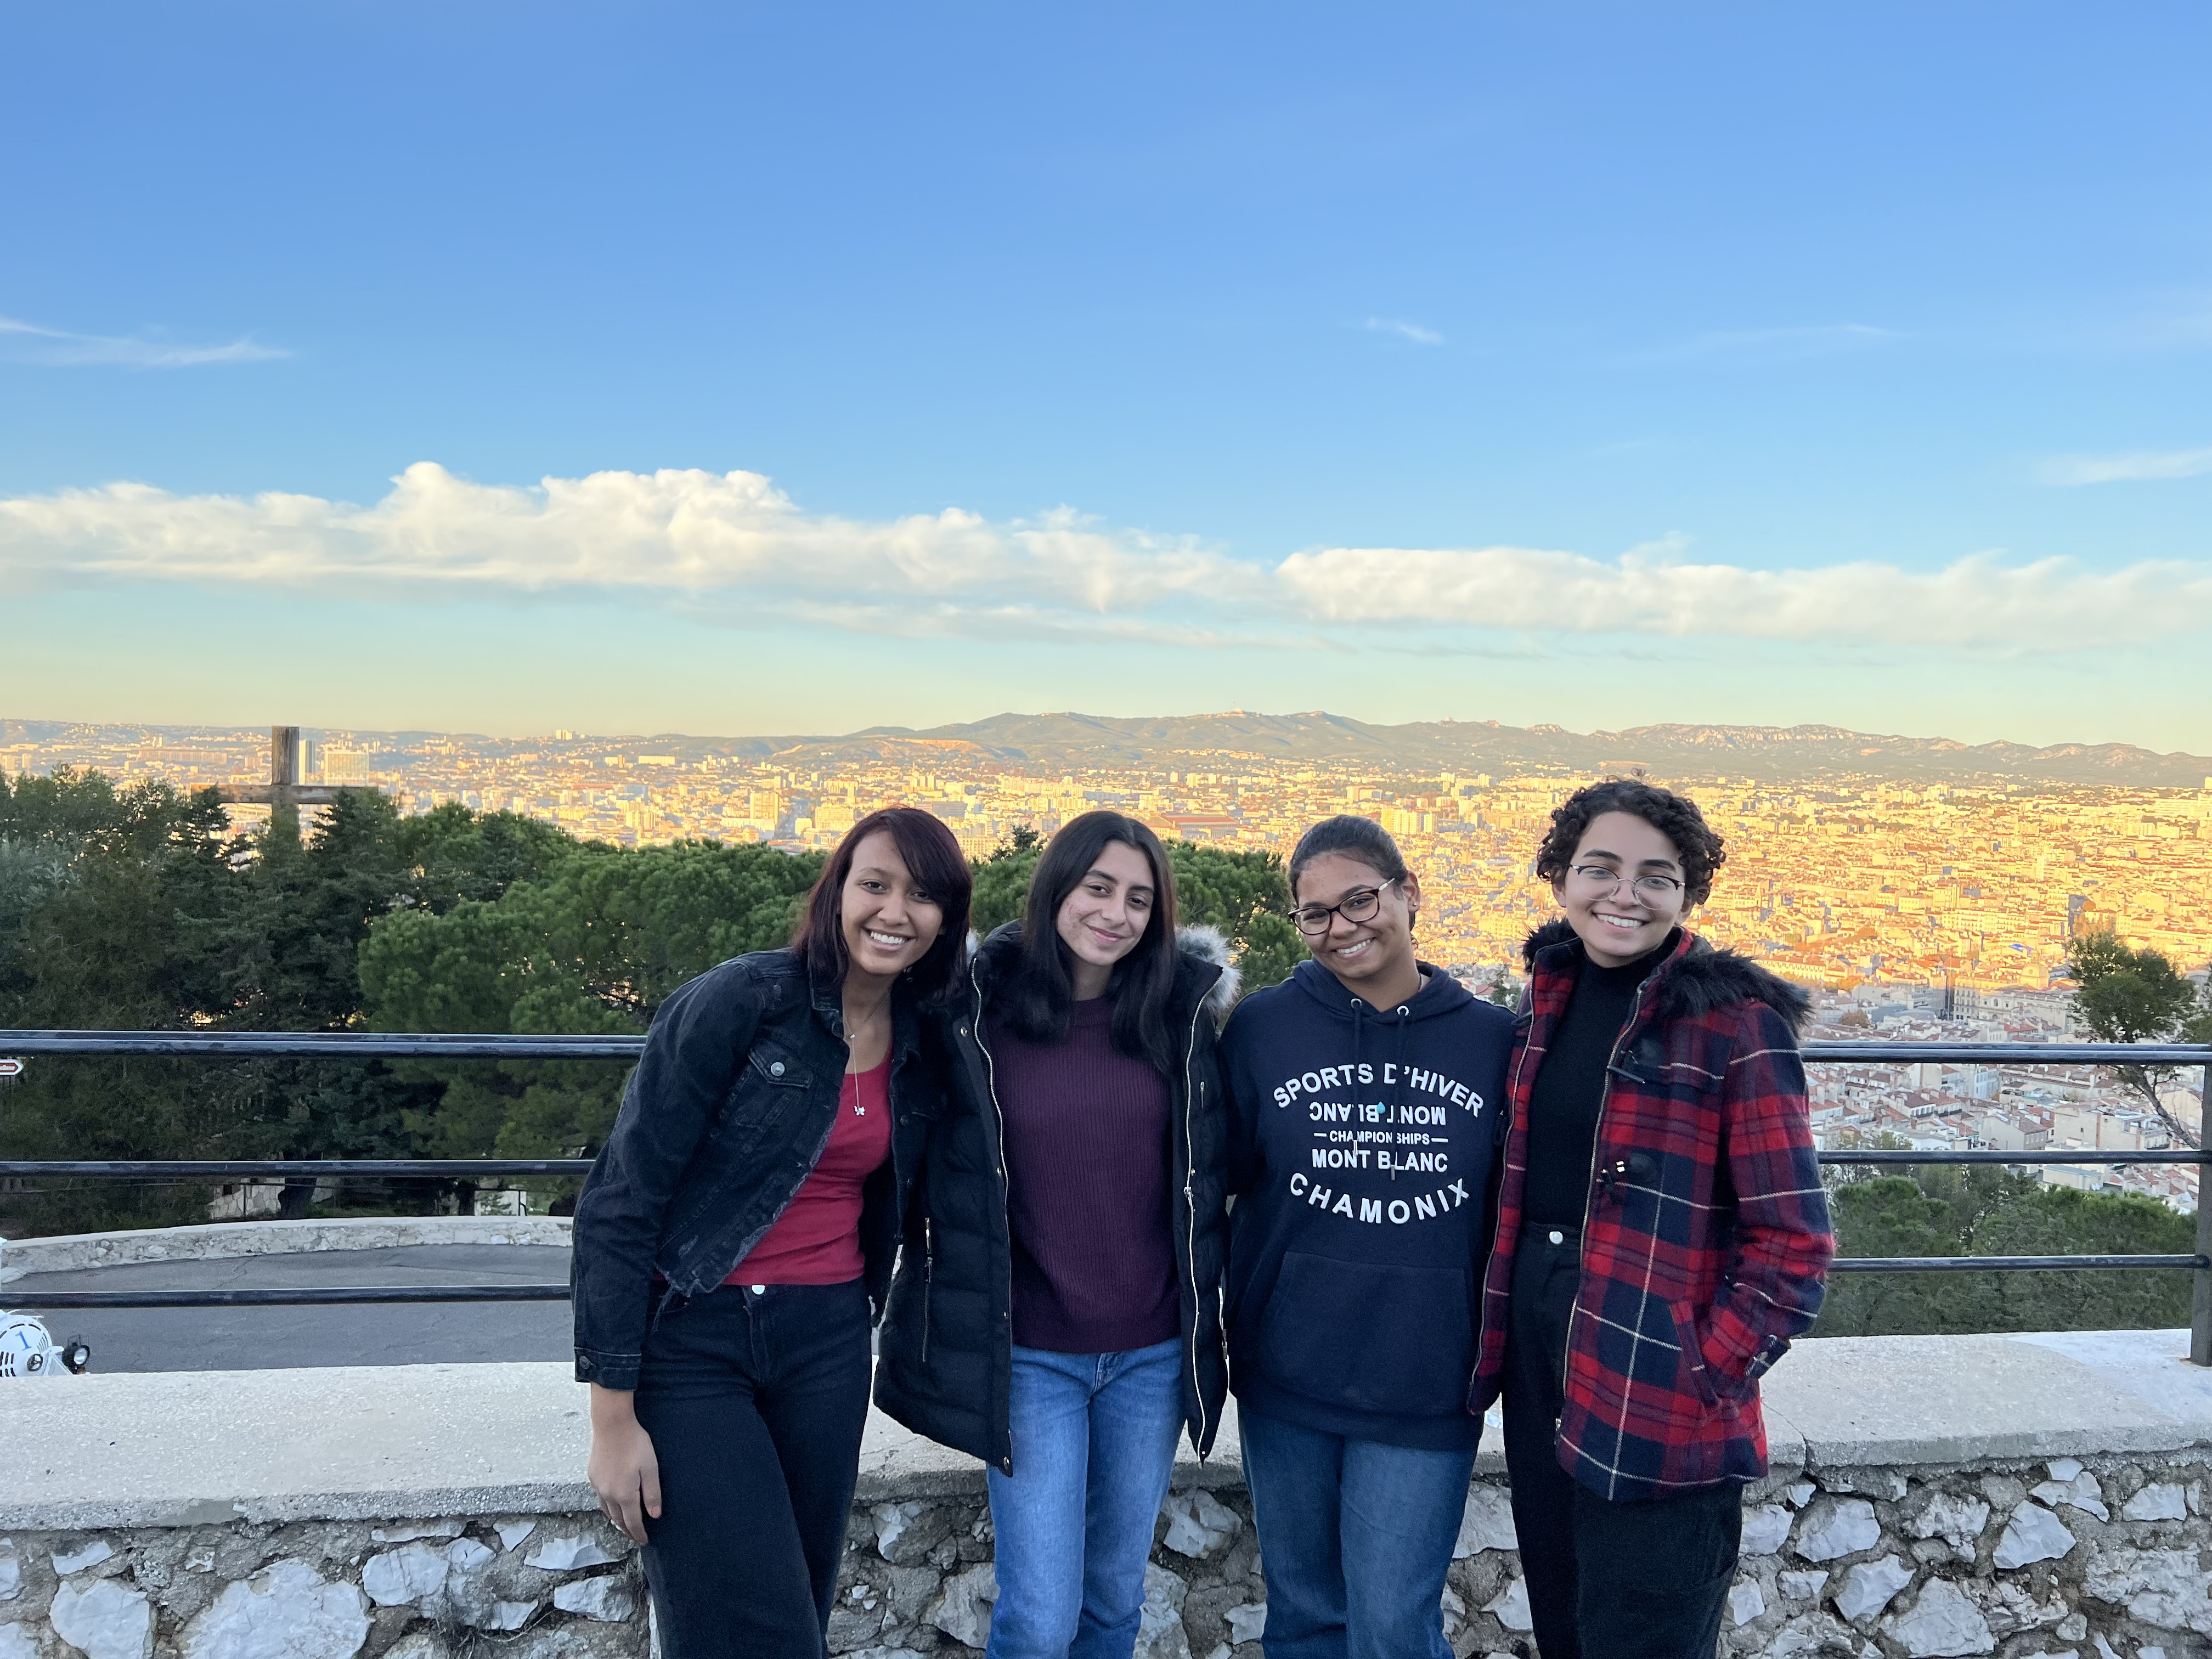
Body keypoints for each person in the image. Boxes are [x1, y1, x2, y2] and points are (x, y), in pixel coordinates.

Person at [572, 808, 972, 1659]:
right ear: (837, 892)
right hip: (695, 1340)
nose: (895, 912)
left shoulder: (928, 1037)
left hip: (827, 1344)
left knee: (796, 1609)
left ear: (946, 919)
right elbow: (620, 1202)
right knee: (754, 1630)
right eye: (875, 885)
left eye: (922, 895)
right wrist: (612, 1420)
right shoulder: (744, 1002)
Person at [1471, 779, 1834, 1659]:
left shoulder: (1734, 1024)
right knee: (1564, 1621)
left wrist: (1703, 1373)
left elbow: (1794, 1241)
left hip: (1660, 1375)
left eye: (1656, 877)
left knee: (1649, 1633)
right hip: (1541, 1358)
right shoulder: (1547, 1000)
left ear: (1687, 894)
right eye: (1600, 868)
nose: (1624, 894)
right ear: (1561, 878)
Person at [873, 811, 1236, 1659]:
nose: (1116, 913)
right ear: (1056, 890)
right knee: (1039, 1617)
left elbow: (1219, 1166)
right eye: (1098, 888)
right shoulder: (977, 1014)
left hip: (1151, 1357)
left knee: (1113, 1601)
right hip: (1031, 1357)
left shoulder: (1179, 1017)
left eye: (1139, 899)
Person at [1218, 815, 1514, 1659]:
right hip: (1288, 1372)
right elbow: (1218, 1178)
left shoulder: (1493, 1042)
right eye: (1316, 913)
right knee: (1304, 1620)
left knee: (1393, 1627)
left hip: (1426, 1376)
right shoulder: (1262, 1031)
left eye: (1359, 900)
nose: (1341, 926)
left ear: (1408, 893)